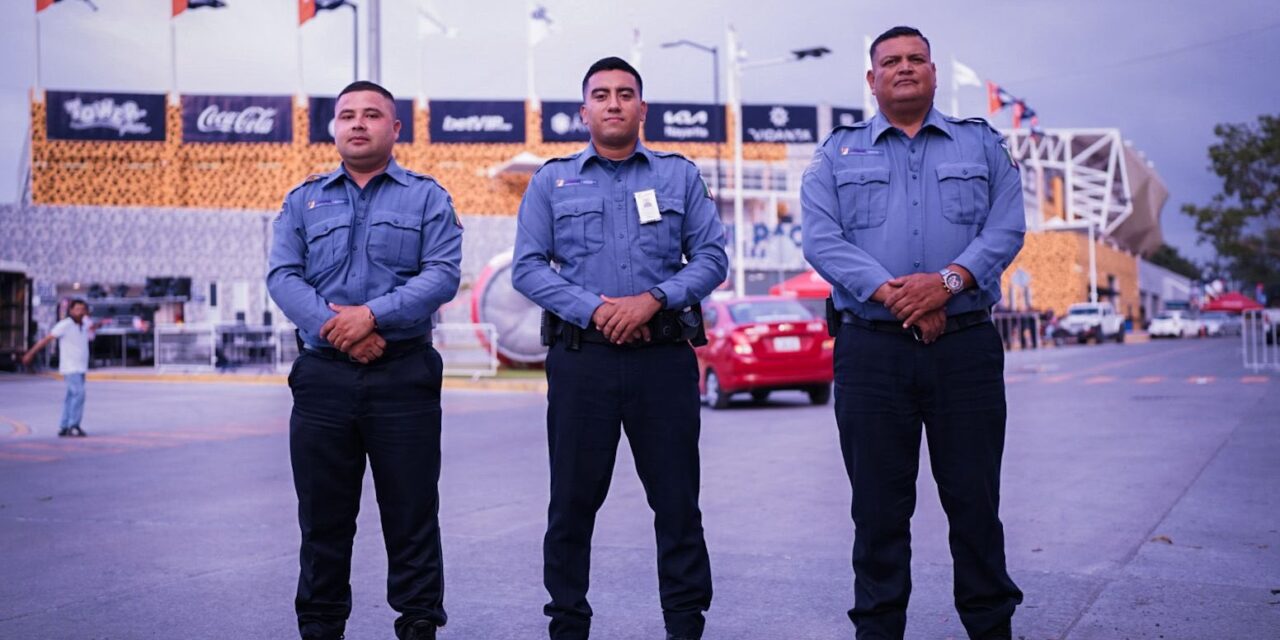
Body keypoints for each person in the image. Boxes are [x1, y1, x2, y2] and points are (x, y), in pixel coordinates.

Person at [801, 26, 1026, 640]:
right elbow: (821, 241)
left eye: (916, 60)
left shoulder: (981, 146)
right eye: (890, 62)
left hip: (965, 350)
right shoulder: (835, 155)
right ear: (871, 80)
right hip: (871, 353)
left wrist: (946, 285)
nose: (904, 69)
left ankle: (990, 627)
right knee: (877, 512)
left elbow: (1006, 230)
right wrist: (900, 296)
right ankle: (877, 630)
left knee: (975, 506)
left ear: (933, 73)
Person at [512, 57, 728, 640]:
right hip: (584, 362)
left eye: (625, 94)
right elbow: (528, 269)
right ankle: (568, 623)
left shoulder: (678, 177)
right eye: (601, 95)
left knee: (678, 504)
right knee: (572, 507)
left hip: (663, 361)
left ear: (641, 108)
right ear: (584, 111)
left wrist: (654, 300)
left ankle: (685, 625)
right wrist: (598, 310)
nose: (613, 103)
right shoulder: (551, 181)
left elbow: (712, 257)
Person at [267, 80, 462, 640]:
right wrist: (342, 329)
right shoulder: (302, 200)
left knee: (412, 514)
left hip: (404, 375)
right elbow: (283, 277)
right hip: (324, 376)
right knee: (323, 518)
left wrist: (370, 317)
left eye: (372, 114)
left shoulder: (427, 198)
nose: (358, 123)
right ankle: (321, 624)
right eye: (347, 114)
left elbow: (441, 275)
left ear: (394, 129)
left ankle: (419, 621)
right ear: (334, 127)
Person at [22, 298, 107, 437]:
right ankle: (74, 425)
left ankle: (64, 425)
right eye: (77, 309)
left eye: (82, 309)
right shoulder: (65, 325)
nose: (80, 312)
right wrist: (30, 353)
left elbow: (90, 329)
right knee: (79, 394)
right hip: (70, 367)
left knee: (71, 396)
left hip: (81, 366)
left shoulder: (84, 324)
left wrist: (99, 325)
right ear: (71, 310)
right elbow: (47, 339)